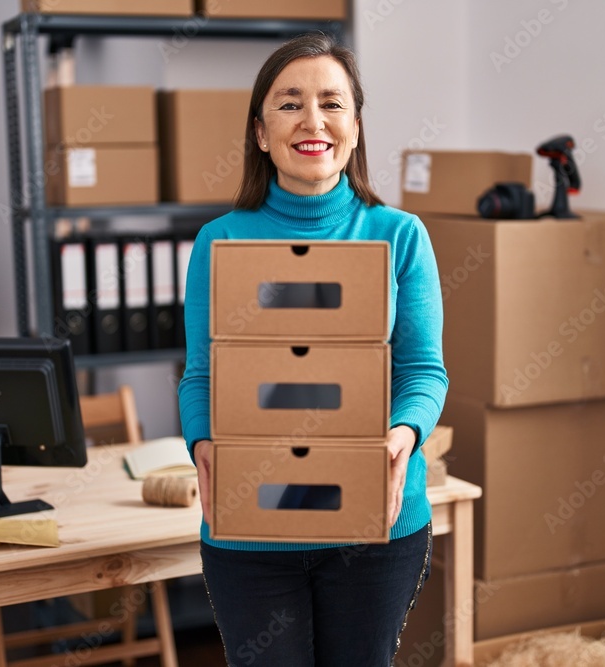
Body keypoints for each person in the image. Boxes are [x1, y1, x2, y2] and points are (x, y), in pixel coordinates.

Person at [177, 32, 448, 667]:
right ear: (260, 131)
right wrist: (203, 444)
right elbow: (201, 375)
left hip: (374, 528)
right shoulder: (218, 243)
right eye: (290, 103)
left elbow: (422, 371)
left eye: (332, 102)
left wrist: (401, 436)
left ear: (354, 126)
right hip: (252, 527)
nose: (313, 120)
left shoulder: (400, 236)